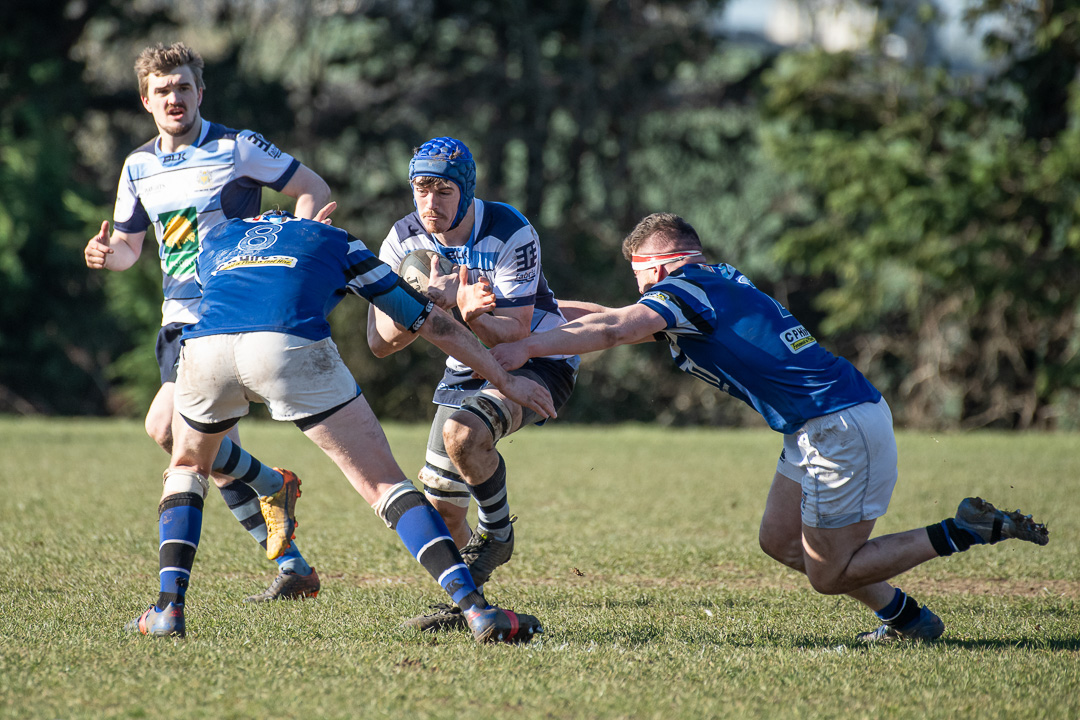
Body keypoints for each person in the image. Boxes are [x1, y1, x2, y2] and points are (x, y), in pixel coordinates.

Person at [489, 212, 1050, 643]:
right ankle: (909, 621)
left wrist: (526, 345)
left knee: (828, 576)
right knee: (779, 541)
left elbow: (614, 329)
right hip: (819, 425)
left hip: (838, 427)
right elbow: (611, 316)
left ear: (658, 268)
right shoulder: (713, 283)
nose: (640, 290)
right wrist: (538, 306)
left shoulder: (685, 292)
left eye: (639, 277)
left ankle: (967, 530)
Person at [125, 208, 552, 643]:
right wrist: (504, 379)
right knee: (385, 484)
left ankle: (167, 609)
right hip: (287, 346)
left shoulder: (221, 237)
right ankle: (477, 611)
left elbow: (225, 295)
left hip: (204, 348)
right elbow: (430, 322)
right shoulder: (334, 240)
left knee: (188, 467)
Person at [84, 42, 331, 602]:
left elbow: (312, 187)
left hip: (227, 315)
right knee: (205, 451)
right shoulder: (137, 166)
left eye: (184, 87)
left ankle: (265, 499)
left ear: (200, 92)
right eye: (163, 89)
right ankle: (291, 557)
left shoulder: (237, 147)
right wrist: (105, 255)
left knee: (174, 437)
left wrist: (293, 250)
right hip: (177, 317)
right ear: (146, 99)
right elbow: (128, 246)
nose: (175, 97)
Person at [366, 137, 580, 631]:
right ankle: (472, 604)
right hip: (465, 366)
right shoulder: (401, 240)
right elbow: (380, 342)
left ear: (466, 191)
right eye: (421, 189)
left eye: (443, 191)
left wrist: (465, 309)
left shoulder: (509, 230)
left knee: (463, 434)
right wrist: (421, 302)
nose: (430, 203)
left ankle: (498, 533)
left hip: (536, 358)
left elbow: (517, 329)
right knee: (440, 510)